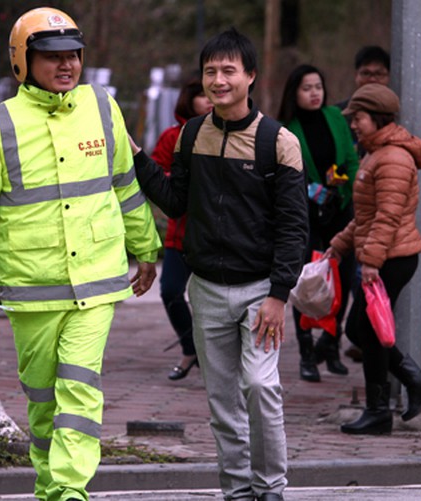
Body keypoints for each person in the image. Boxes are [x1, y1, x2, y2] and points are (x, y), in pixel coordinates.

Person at [0, 8, 161, 501]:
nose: (66, 66)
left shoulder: (103, 108)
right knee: (43, 401)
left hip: (98, 280)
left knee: (79, 387)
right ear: (23, 62)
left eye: (73, 56)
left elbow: (125, 186)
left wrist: (145, 246)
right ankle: (50, 486)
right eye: (51, 57)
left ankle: (70, 490)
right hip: (32, 290)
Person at [130, 28, 308, 501]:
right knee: (222, 401)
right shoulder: (191, 135)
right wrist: (136, 158)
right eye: (210, 71)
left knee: (259, 386)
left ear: (250, 76)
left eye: (229, 70)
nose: (218, 79)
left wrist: (278, 295)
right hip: (205, 289)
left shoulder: (279, 142)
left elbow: (294, 228)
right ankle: (237, 491)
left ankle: (271, 487)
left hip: (260, 291)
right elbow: (175, 200)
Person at [324, 83, 421, 435]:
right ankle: (414, 381)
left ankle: (380, 411)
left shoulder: (392, 157)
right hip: (382, 254)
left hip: (392, 258)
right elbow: (367, 215)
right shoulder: (376, 152)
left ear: (377, 117)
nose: (353, 125)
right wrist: (340, 245)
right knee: (362, 330)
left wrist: (371, 262)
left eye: (358, 118)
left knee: (368, 331)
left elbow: (387, 218)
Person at [277, 64, 359, 381]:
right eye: (306, 88)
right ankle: (306, 352)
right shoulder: (287, 129)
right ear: (294, 93)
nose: (314, 93)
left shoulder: (336, 118)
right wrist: (311, 191)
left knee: (345, 277)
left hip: (339, 210)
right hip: (304, 215)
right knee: (307, 281)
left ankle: (331, 342)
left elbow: (351, 160)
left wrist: (342, 186)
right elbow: (285, 173)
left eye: (318, 87)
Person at [151, 77, 212, 380]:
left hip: (216, 235)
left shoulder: (225, 135)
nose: (209, 99)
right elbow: (154, 172)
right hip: (180, 233)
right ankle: (191, 350)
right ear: (189, 99)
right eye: (202, 95)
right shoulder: (172, 137)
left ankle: (213, 357)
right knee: (172, 291)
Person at [337, 45, 391, 365]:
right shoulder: (342, 116)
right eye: (366, 73)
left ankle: (370, 343)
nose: (372, 78)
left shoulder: (396, 120)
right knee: (348, 284)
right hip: (348, 214)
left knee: (365, 286)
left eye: (379, 73)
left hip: (378, 223)